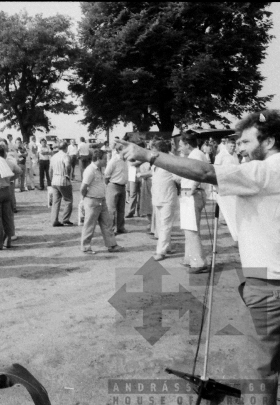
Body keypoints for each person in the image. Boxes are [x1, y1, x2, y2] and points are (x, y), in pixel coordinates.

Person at [115, 109, 280, 402]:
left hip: (270, 287)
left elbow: (205, 173)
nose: (239, 147)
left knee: (262, 370)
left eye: (245, 141)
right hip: (267, 279)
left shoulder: (266, 170)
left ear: (268, 142)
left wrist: (149, 155)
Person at [176, 132, 210, 272]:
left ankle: (199, 263)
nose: (179, 149)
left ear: (187, 145)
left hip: (192, 194)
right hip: (189, 193)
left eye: (181, 146)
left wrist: (193, 188)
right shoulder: (195, 154)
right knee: (188, 228)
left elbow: (199, 173)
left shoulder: (196, 155)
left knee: (191, 229)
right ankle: (190, 258)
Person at [80, 148, 123, 254]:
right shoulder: (90, 171)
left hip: (102, 200)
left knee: (107, 223)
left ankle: (112, 245)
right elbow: (83, 188)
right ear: (98, 159)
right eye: (104, 159)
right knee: (90, 225)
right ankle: (85, 247)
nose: (106, 161)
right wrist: (86, 198)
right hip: (92, 201)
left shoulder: (99, 170)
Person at [149, 139, 178, 261]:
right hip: (158, 197)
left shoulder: (171, 161)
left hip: (167, 197)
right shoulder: (156, 161)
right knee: (161, 224)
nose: (151, 152)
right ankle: (167, 247)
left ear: (160, 151)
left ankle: (161, 252)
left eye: (153, 149)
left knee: (165, 225)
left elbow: (178, 178)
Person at [104, 144, 128, 234]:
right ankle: (111, 229)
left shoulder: (125, 160)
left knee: (121, 209)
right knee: (111, 209)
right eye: (125, 150)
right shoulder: (114, 161)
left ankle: (120, 227)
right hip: (113, 185)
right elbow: (106, 174)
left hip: (122, 186)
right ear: (119, 150)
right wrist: (108, 185)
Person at [49, 141, 74, 227]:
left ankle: (54, 220)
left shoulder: (53, 157)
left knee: (56, 201)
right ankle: (65, 219)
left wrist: (51, 179)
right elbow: (68, 165)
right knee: (68, 200)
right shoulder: (66, 156)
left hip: (54, 180)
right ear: (66, 147)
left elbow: (50, 170)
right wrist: (68, 174)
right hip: (63, 179)